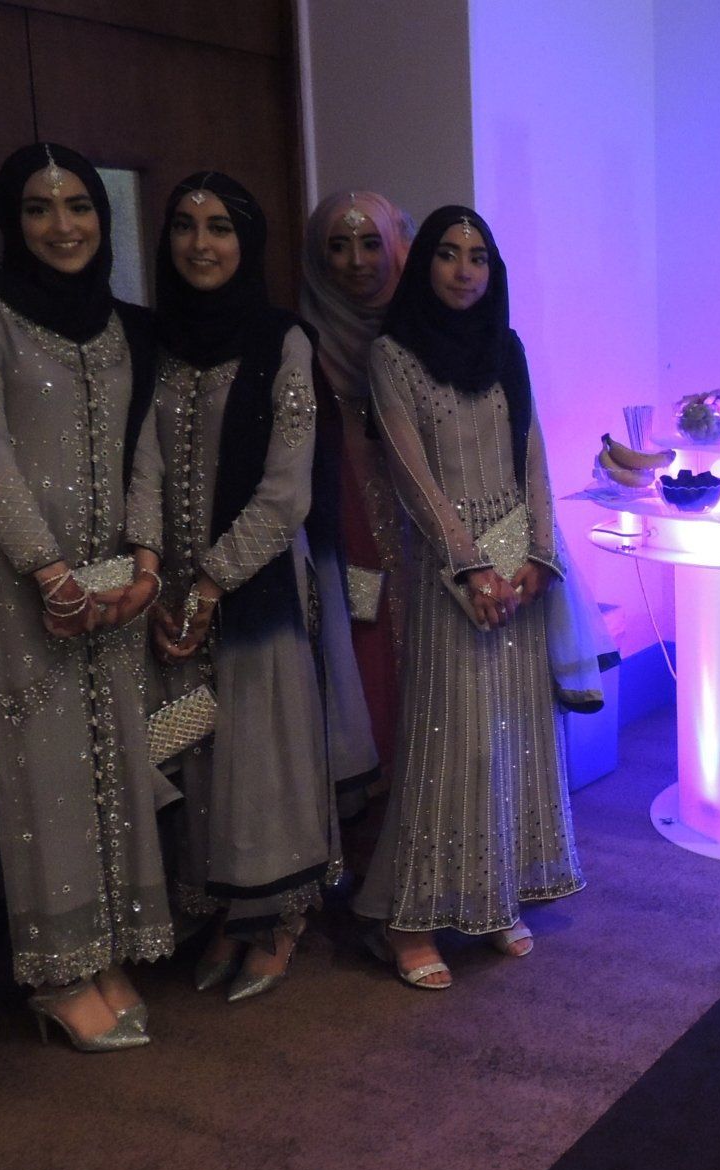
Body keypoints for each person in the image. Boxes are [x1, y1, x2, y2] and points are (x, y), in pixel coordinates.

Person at [0, 142, 169, 1050]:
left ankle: (109, 944)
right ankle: (59, 970)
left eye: (78, 204)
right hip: (16, 579)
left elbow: (141, 449)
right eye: (39, 208)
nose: (62, 225)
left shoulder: (127, 325)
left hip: (114, 580)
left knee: (112, 755)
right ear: (13, 220)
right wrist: (47, 569)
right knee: (44, 767)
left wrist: (146, 561)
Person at [351, 206, 601, 988]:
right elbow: (409, 472)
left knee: (513, 734)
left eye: (479, 258)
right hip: (444, 570)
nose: (465, 271)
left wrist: (538, 556)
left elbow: (533, 453)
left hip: (516, 567)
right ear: (424, 262)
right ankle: (408, 919)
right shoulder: (392, 355)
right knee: (449, 737)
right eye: (450, 255)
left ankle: (493, 897)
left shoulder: (507, 347)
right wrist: (467, 567)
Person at [135, 172, 341, 1002]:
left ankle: (279, 915)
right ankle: (226, 907)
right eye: (184, 226)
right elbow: (141, 462)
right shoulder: (157, 342)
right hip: (169, 593)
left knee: (264, 749)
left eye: (220, 227)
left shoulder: (282, 340)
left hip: (252, 589)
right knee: (197, 748)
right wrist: (152, 569)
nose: (200, 244)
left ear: (246, 243)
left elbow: (289, 489)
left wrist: (213, 581)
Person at [300, 191, 415, 810]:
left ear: (397, 247)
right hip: (343, 517)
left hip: (424, 520)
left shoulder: (426, 328)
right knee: (361, 646)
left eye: (371, 243)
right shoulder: (302, 339)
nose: (355, 261)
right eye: (336, 247)